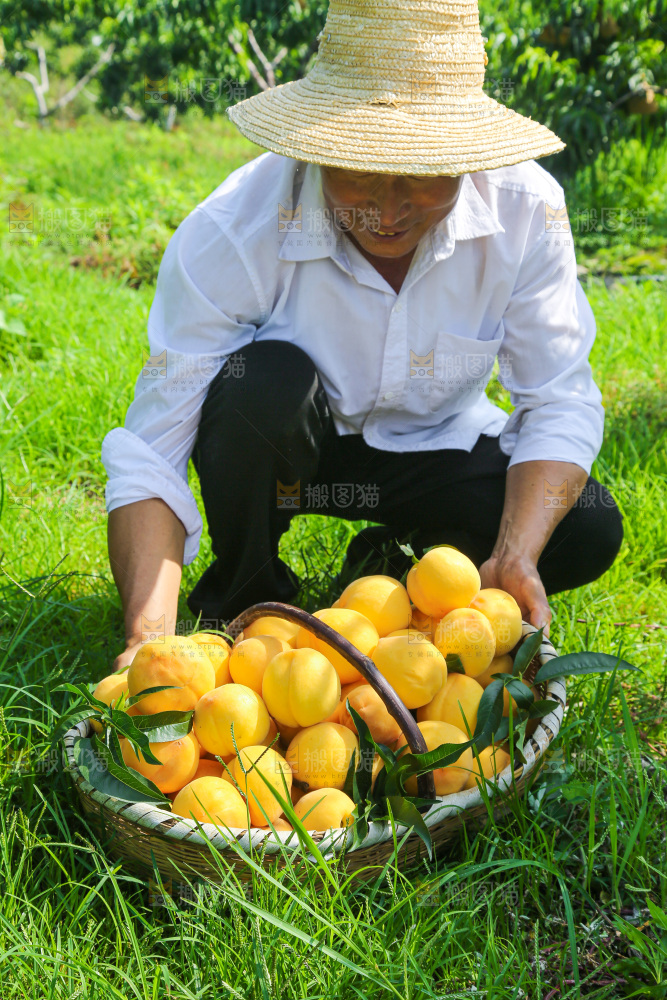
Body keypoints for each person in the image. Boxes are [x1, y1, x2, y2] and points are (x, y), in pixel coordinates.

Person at [103, 0, 623, 671]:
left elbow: (557, 400)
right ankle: (247, 592)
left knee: (586, 522)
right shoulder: (236, 226)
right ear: (317, 149)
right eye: (359, 172)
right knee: (262, 384)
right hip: (291, 452)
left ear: (466, 159)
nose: (387, 211)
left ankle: (398, 575)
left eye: (422, 178)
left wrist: (514, 553)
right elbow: (155, 445)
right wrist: (146, 640)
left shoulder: (526, 211)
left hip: (436, 446)